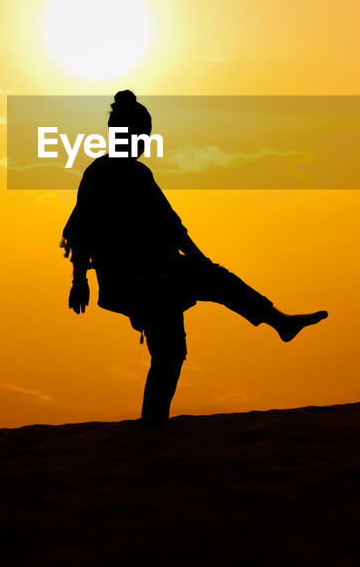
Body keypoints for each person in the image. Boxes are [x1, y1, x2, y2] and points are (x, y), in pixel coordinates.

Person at [61, 90, 328, 427]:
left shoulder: (132, 175)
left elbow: (171, 226)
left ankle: (154, 425)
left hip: (155, 274)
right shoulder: (103, 175)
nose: (144, 143)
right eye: (141, 136)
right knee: (171, 348)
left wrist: (202, 262)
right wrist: (79, 281)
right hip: (135, 280)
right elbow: (84, 231)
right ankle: (278, 323)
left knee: (170, 352)